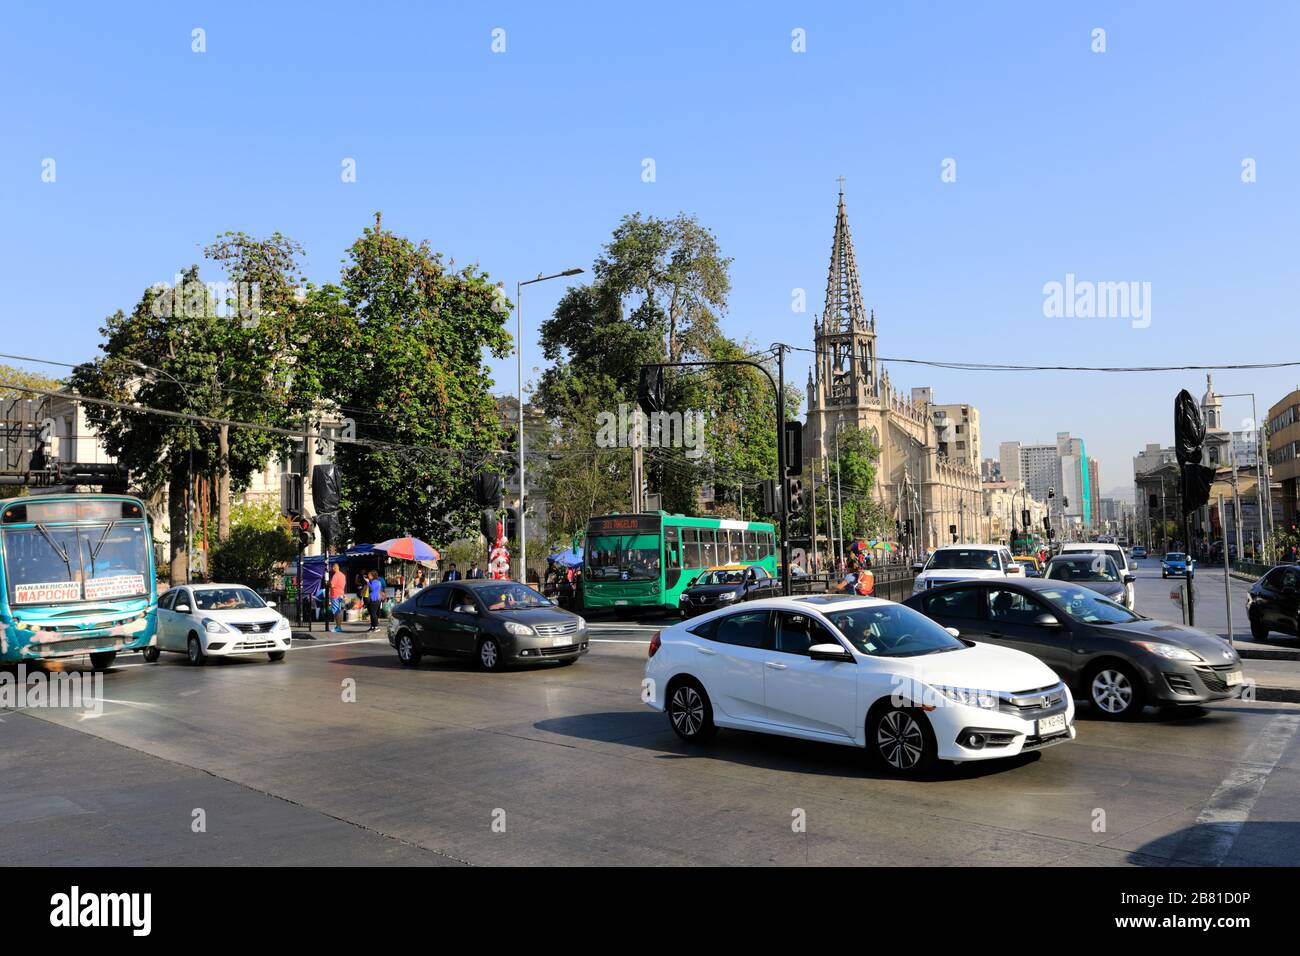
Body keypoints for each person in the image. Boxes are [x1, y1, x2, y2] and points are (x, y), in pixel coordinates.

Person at [329, 563, 347, 633]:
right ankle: (338, 626)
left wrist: (328, 584)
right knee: (339, 610)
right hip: (341, 594)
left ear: (335, 567)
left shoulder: (335, 576)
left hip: (335, 594)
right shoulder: (343, 575)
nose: (332, 569)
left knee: (336, 611)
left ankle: (338, 627)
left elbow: (332, 585)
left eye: (332, 567)